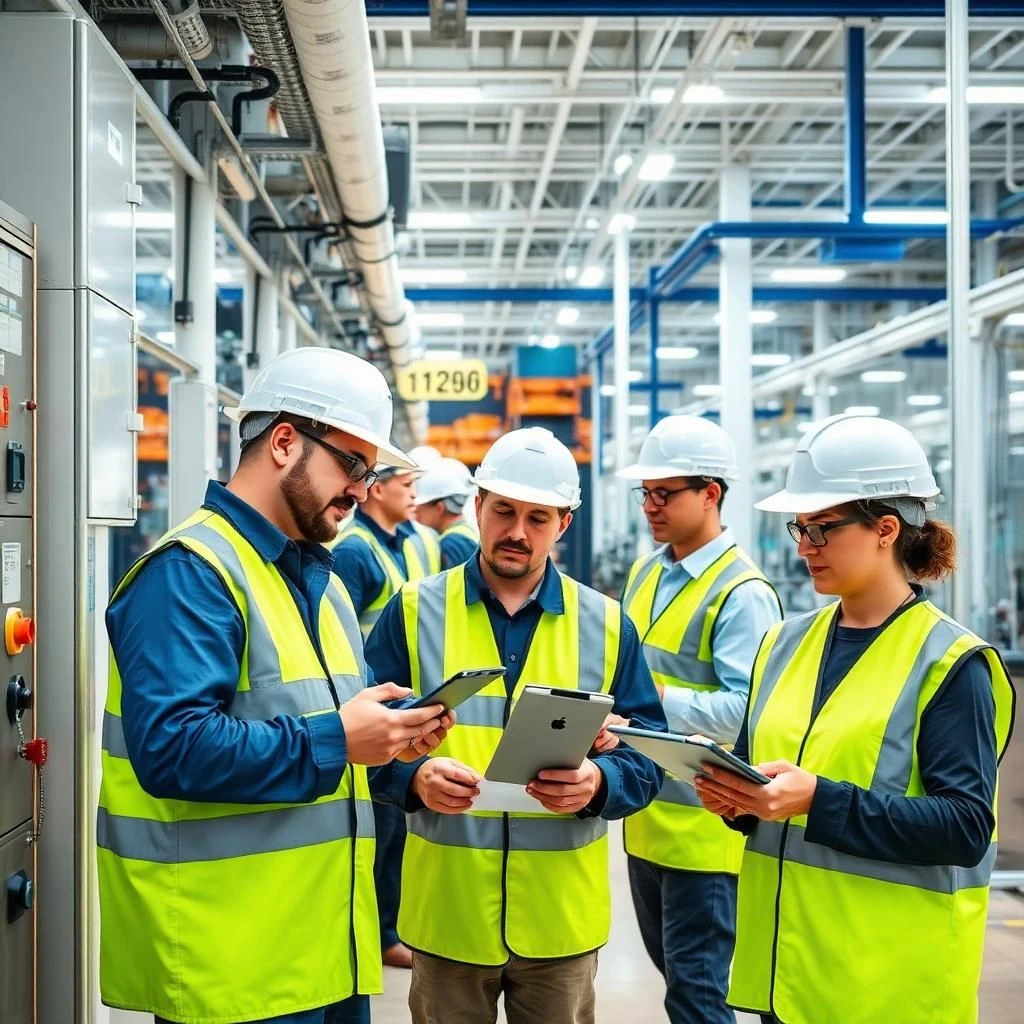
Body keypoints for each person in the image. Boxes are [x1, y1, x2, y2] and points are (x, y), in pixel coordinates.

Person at [98, 348, 454, 1024]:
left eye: (370, 472)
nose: (362, 490)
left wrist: (401, 760)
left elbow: (324, 728)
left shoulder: (321, 584)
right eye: (352, 465)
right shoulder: (190, 574)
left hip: (325, 953)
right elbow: (173, 749)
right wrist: (339, 739)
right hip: (230, 967)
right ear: (285, 442)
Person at [694, 414, 1015, 1024]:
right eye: (800, 528)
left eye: (821, 529)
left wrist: (818, 799)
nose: (803, 547)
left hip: (885, 986)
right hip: (786, 975)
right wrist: (738, 800)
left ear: (885, 529)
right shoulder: (782, 645)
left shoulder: (949, 663)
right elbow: (772, 786)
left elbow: (965, 825)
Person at [365, 427, 667, 1024]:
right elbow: (365, 739)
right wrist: (413, 778)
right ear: (478, 506)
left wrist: (600, 783)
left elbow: (646, 755)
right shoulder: (413, 610)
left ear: (564, 524)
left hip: (559, 922)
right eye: (504, 510)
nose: (517, 532)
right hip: (448, 914)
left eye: (538, 517)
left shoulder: (607, 625)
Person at [615, 415, 782, 1024]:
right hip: (645, 819)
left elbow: (745, 712)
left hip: (705, 832)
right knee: (677, 981)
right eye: (646, 493)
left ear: (710, 493)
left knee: (698, 995)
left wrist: (652, 697)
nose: (650, 506)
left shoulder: (743, 593)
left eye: (665, 493)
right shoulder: (647, 572)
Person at [332, 460, 442, 970]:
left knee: (396, 831)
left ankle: (389, 927)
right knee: (382, 829)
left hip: (405, 706)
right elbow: (339, 632)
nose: (415, 494)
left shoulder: (412, 543)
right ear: (375, 490)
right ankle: (379, 934)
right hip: (371, 706)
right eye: (406, 484)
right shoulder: (355, 551)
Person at [411, 456, 479, 569]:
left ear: (440, 508)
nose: (416, 515)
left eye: (420, 508)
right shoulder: (467, 533)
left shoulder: (450, 545)